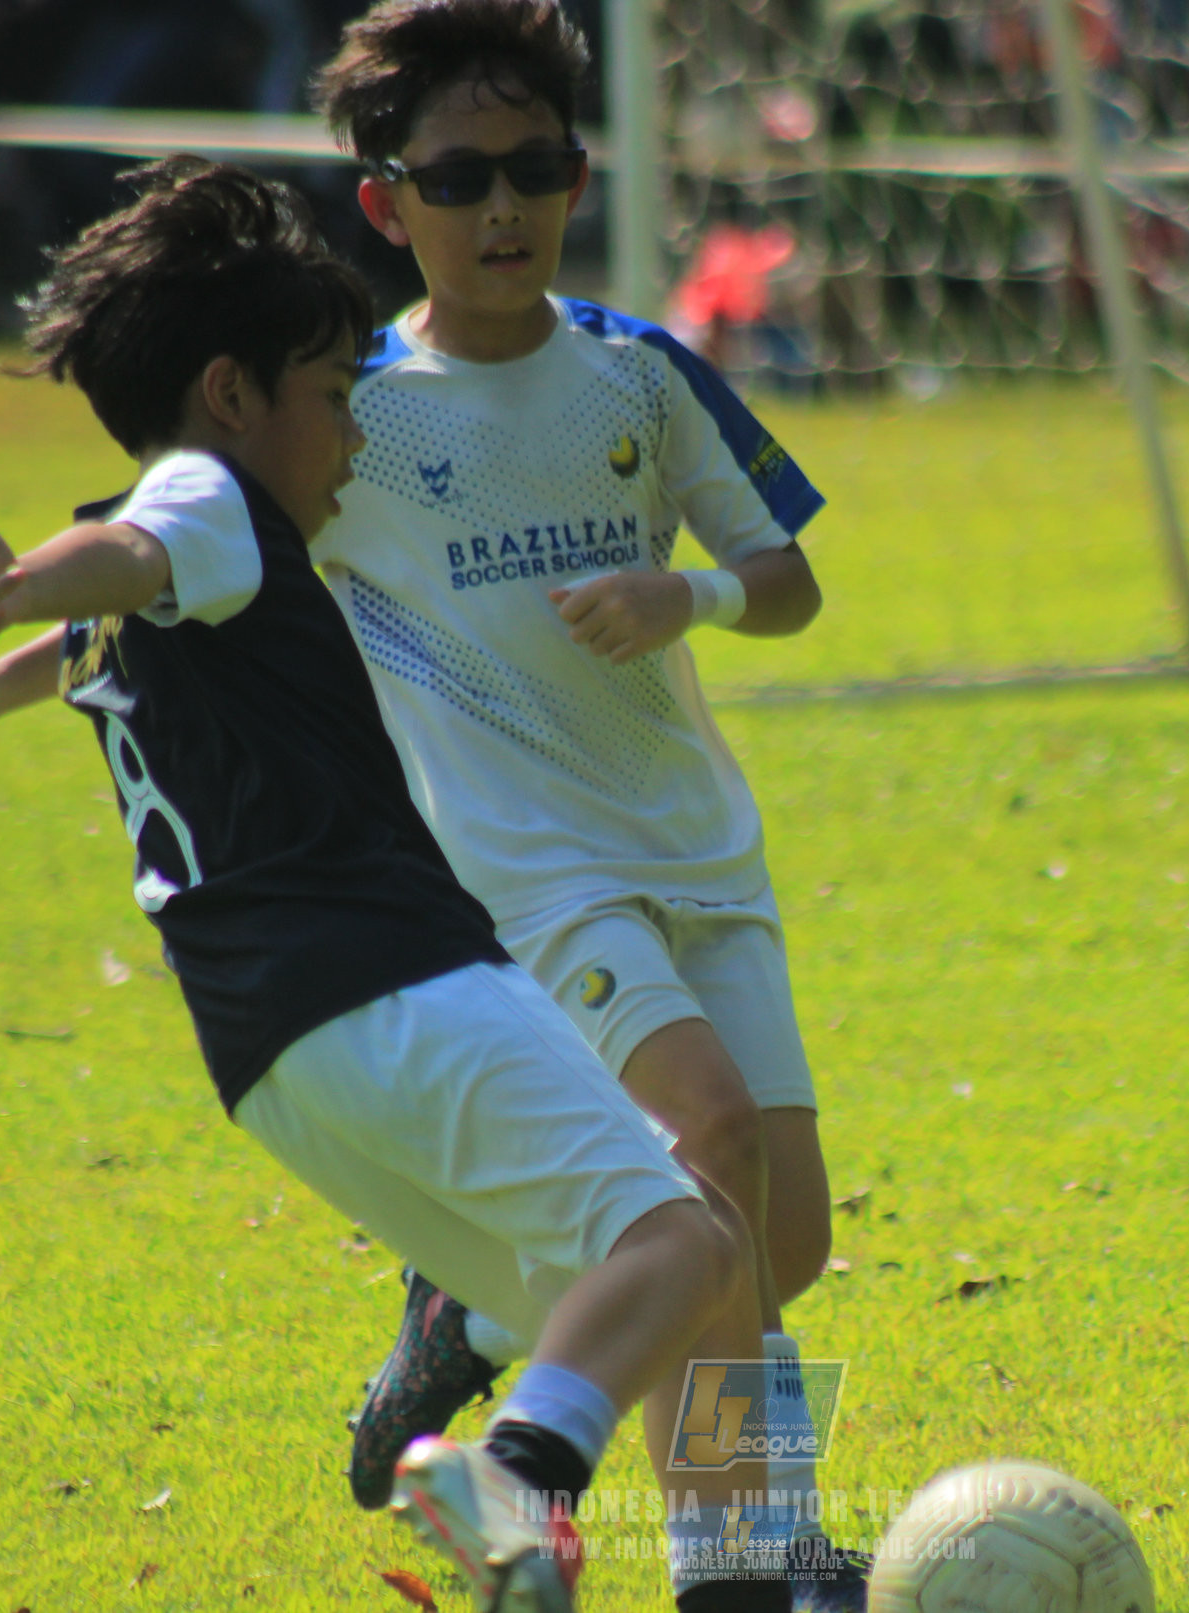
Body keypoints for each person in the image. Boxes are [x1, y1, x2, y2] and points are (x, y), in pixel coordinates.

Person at [0, 156, 786, 1613]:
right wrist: (20, 583)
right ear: (233, 396)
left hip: (274, 1063)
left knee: (665, 1286)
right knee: (687, 1233)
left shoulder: (194, 569)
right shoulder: (206, 499)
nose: (356, 436)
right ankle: (524, 1478)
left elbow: (128, 591)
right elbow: (134, 544)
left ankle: (708, 1551)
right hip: (401, 984)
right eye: (335, 399)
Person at [304, 4, 866, 1607]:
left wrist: (685, 599)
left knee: (780, 1231)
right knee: (710, 1142)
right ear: (384, 202)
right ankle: (752, 1559)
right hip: (523, 869)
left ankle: (474, 1317)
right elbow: (182, 549)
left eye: (535, 167)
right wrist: (12, 654)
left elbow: (790, 579)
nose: (502, 208)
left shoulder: (635, 369)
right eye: (460, 175)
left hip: (695, 843)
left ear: (576, 174)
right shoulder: (345, 413)